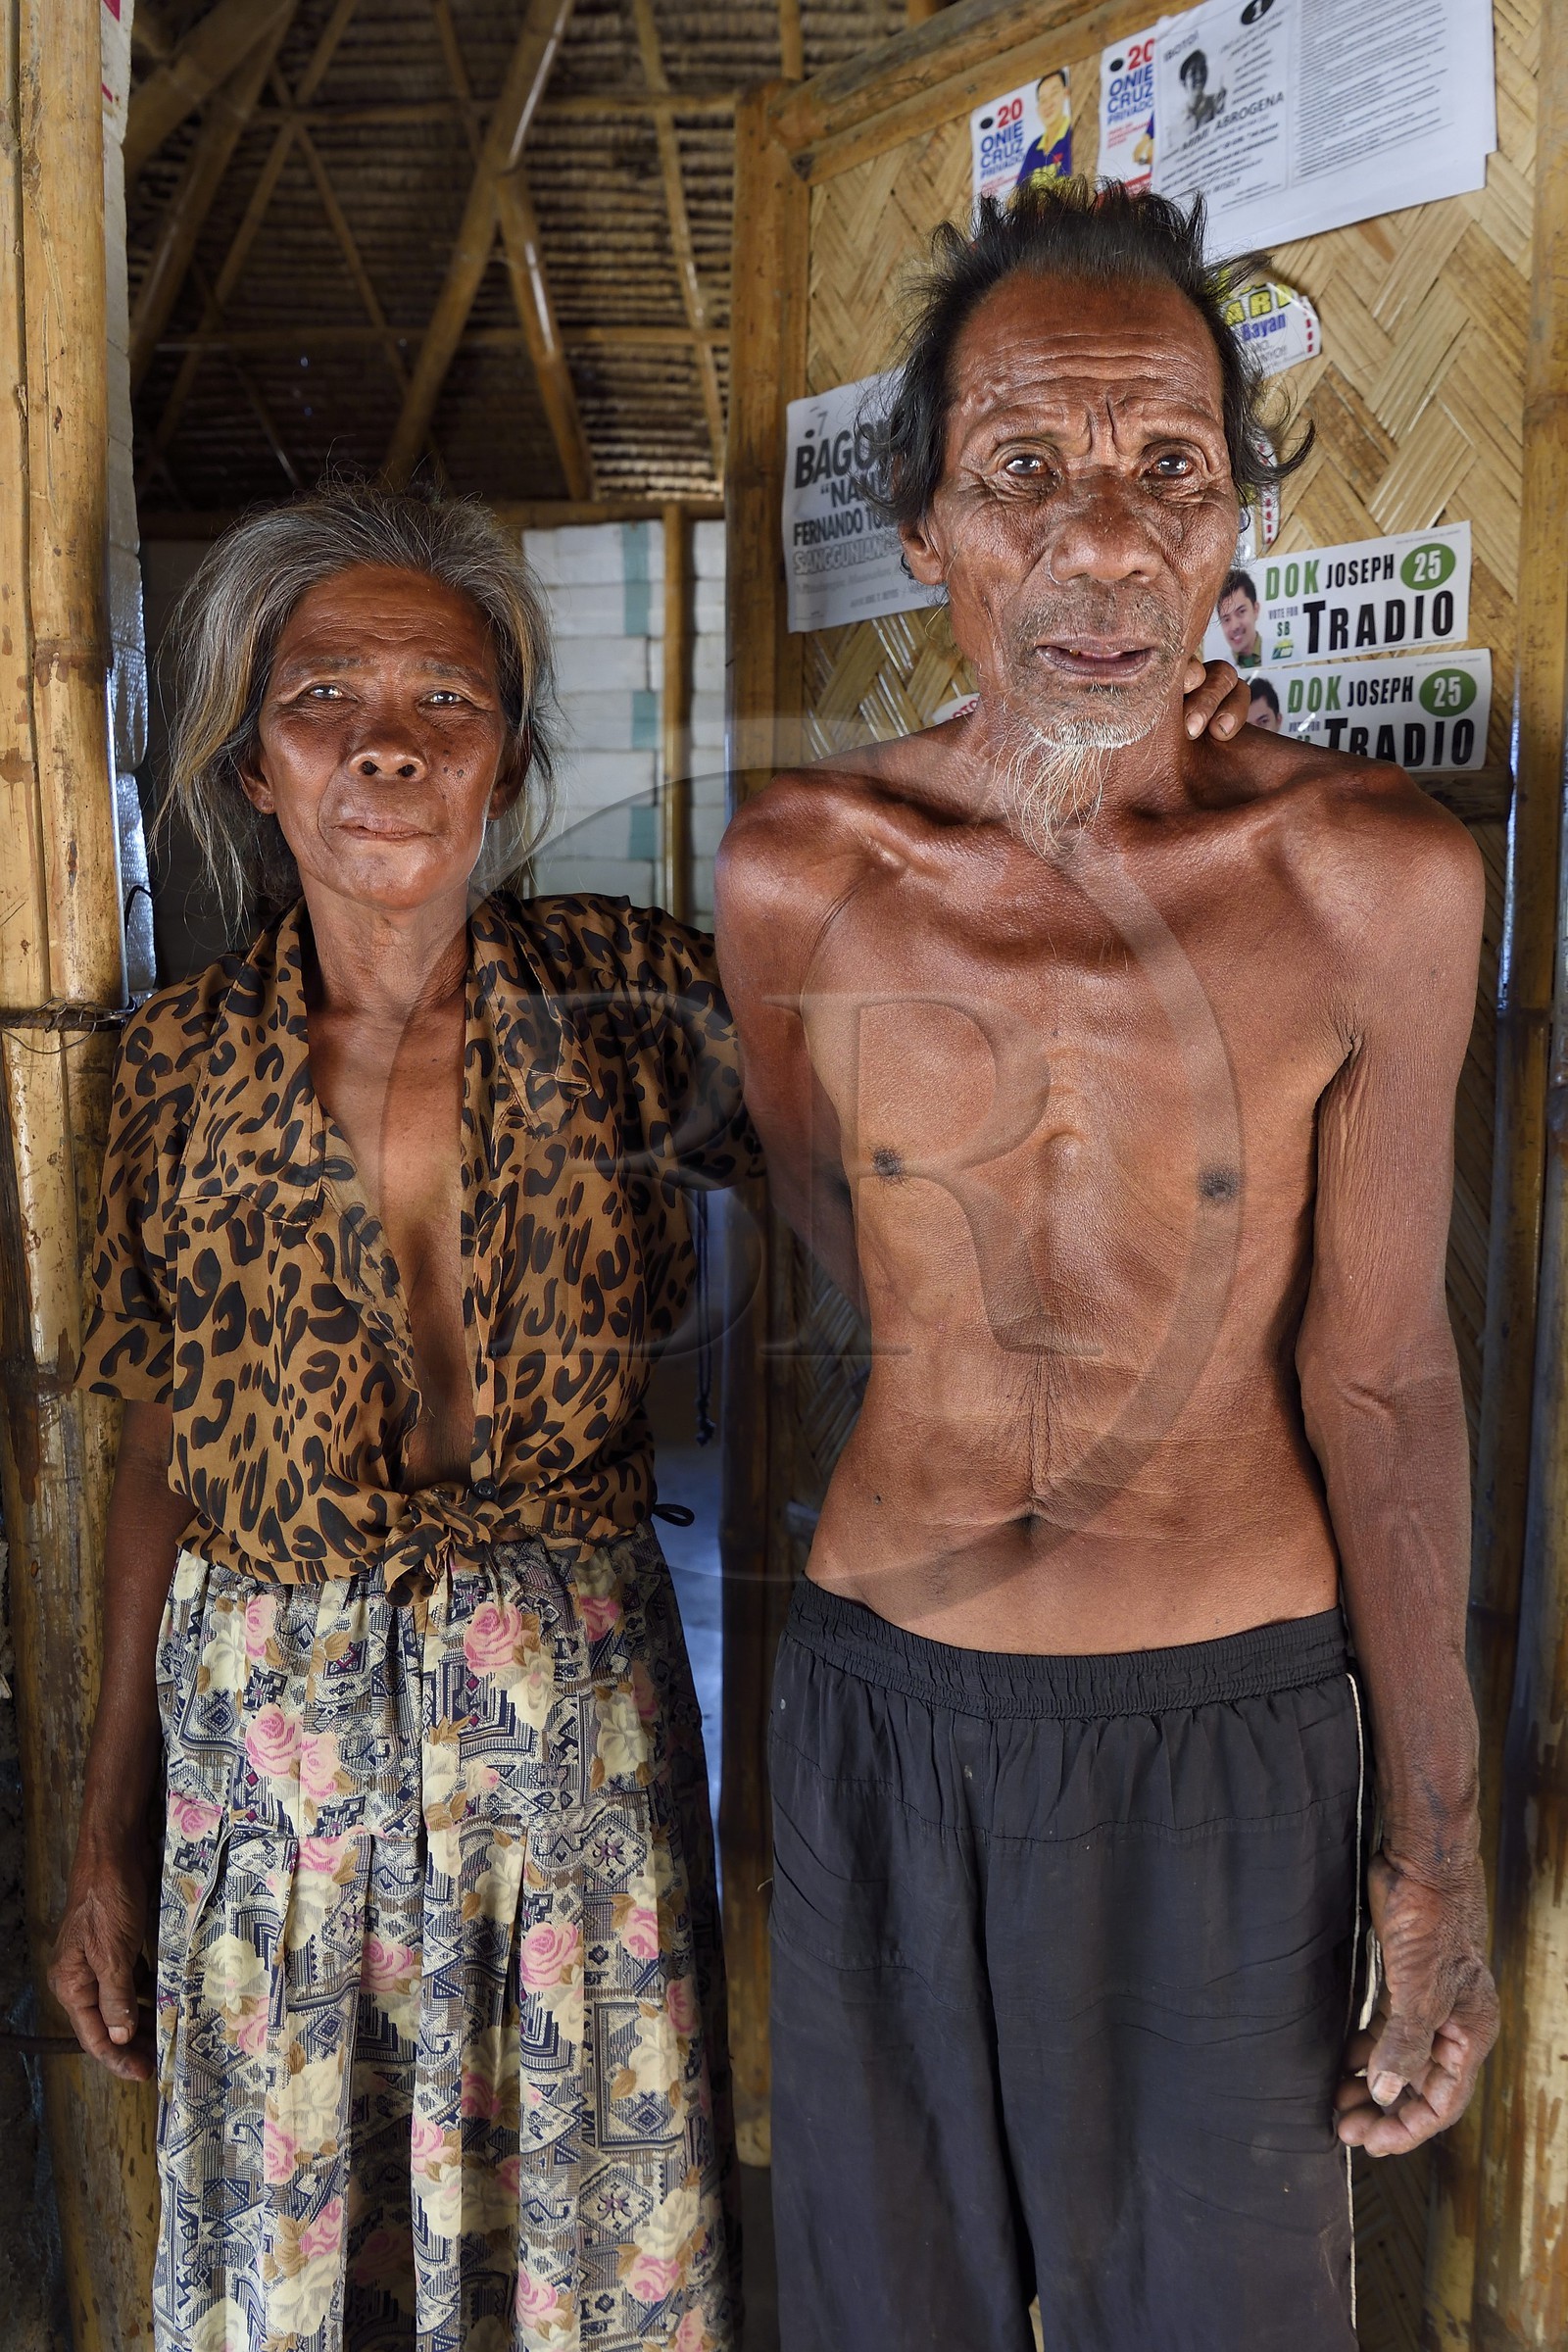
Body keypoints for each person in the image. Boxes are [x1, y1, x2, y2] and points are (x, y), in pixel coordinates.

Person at [714, 182, 1496, 2352]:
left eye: (1167, 471)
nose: (1099, 542)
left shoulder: (1365, 886)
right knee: (896, 2315)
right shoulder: (794, 875)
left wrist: (1429, 1849)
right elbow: (831, 1228)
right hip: (885, 1708)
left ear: (1232, 530)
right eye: (1022, 474)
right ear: (924, 535)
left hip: (1226, 1735)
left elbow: (1381, 1379)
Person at [50, 486, 751, 2352]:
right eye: (324, 695)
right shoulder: (180, 1065)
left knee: (585, 2241)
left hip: (568, 1740)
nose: (385, 738)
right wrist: (105, 1826)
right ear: (254, 763)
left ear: (508, 760)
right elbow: (154, 1447)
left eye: (445, 699)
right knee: (298, 2252)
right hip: (272, 1760)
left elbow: (903, 1131)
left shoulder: (629, 997)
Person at [1219, 563, 1264, 664]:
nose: (1234, 626)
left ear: (1255, 609)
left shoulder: (1284, 654)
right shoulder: (1217, 672)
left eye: (1241, 612)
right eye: (1226, 619)